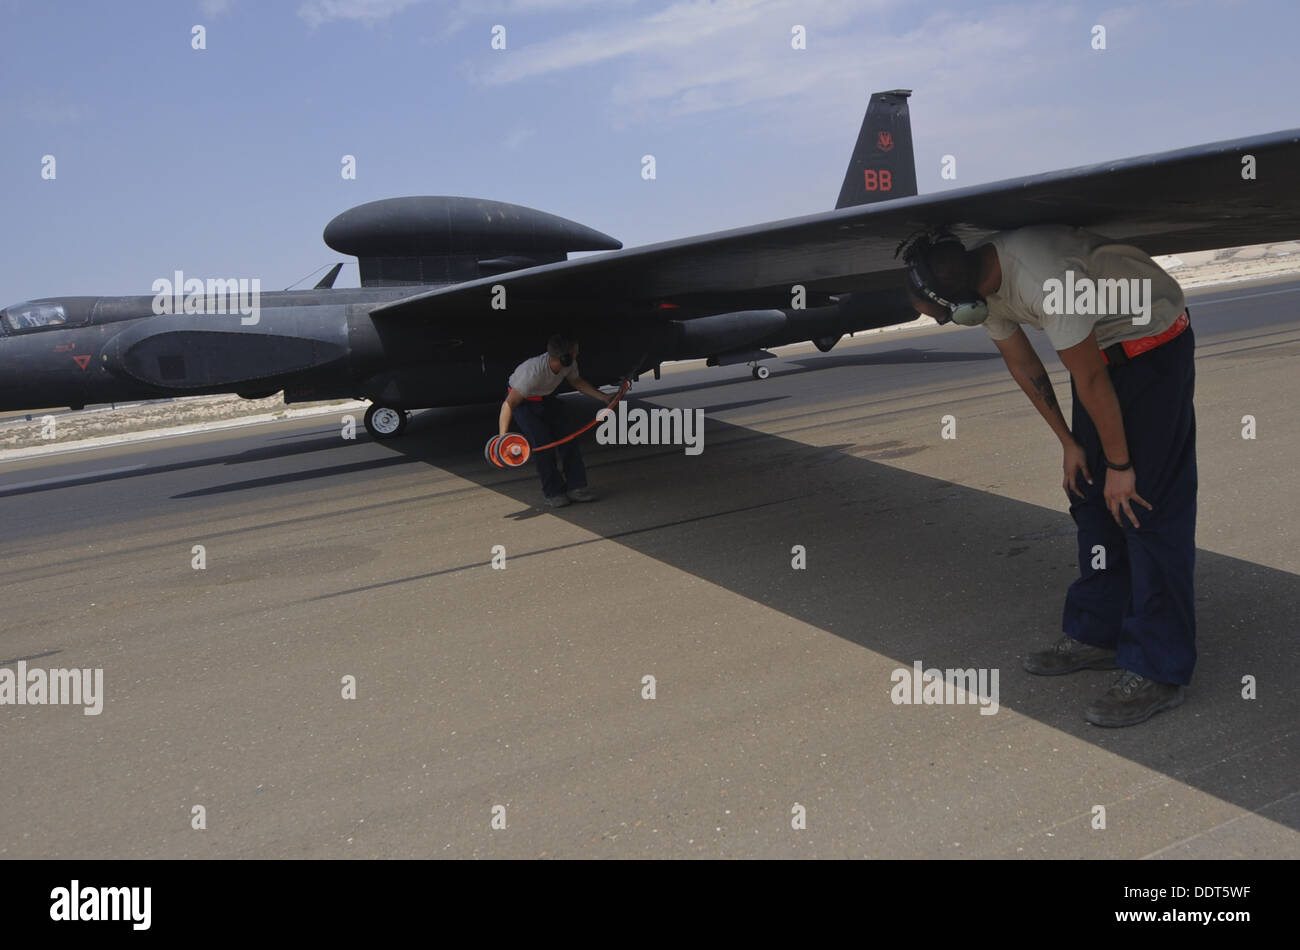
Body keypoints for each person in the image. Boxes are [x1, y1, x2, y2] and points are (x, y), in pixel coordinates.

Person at [900, 225, 1196, 727]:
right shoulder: (983, 284)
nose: (950, 321)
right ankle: (1099, 631)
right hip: (1102, 355)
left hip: (1151, 348)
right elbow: (1023, 362)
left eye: (944, 316)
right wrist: (1069, 443)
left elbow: (1091, 379)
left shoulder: (1044, 281)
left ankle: (1158, 667)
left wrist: (1121, 468)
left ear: (963, 301)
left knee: (1141, 504)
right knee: (1088, 493)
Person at [499, 334, 613, 508]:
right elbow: (509, 404)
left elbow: (577, 381)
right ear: (565, 357)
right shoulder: (532, 373)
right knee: (543, 447)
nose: (578, 354)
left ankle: (577, 488)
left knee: (569, 439)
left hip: (546, 398)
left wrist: (603, 397)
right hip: (525, 404)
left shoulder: (568, 364)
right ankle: (553, 493)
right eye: (575, 351)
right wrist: (503, 437)